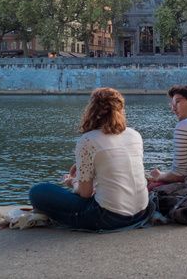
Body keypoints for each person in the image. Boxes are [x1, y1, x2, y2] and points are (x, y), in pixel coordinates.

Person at [29, 88, 151, 231]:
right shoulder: (135, 135)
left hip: (108, 218)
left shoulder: (88, 140)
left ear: (91, 109)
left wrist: (72, 181)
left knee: (38, 191)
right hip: (142, 212)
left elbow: (85, 194)